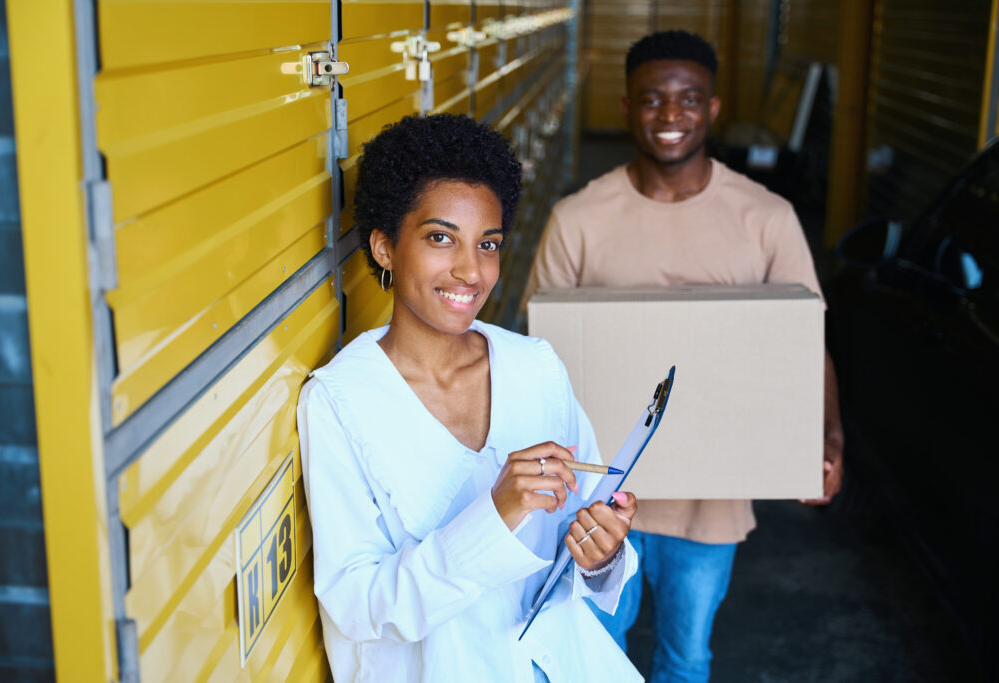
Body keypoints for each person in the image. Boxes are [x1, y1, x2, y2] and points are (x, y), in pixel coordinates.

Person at [522, 31, 845, 683]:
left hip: (710, 503)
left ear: (714, 107)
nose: (670, 116)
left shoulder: (766, 217)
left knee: (686, 658)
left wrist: (829, 436)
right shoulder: (578, 219)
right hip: (599, 498)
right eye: (652, 100)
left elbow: (804, 343)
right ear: (625, 108)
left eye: (688, 99)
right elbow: (535, 359)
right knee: (589, 657)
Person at [297, 113, 644, 683]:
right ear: (384, 247)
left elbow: (582, 530)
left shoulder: (534, 368)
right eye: (440, 238)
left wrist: (602, 552)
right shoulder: (341, 401)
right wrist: (496, 514)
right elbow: (358, 605)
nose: (470, 270)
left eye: (488, 244)